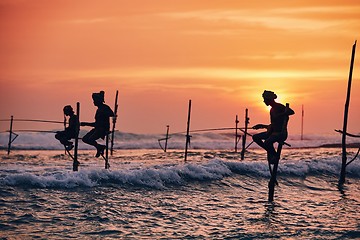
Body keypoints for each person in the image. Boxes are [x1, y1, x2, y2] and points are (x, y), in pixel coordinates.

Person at [252, 90, 295, 164]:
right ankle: (271, 152)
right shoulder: (271, 110)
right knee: (255, 137)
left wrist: (281, 114)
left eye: (265, 99)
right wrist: (262, 126)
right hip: (272, 133)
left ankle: (275, 155)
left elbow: (291, 112)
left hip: (280, 134)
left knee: (267, 142)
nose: (264, 101)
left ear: (269, 99)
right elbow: (274, 124)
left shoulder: (279, 106)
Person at [81, 91, 114, 157]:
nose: (93, 102)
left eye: (94, 100)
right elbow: (97, 124)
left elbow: (112, 114)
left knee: (90, 139)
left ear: (98, 101)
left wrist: (86, 124)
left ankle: (100, 147)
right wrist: (85, 124)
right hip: (97, 128)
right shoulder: (99, 109)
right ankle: (99, 147)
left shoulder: (104, 108)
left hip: (102, 129)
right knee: (84, 139)